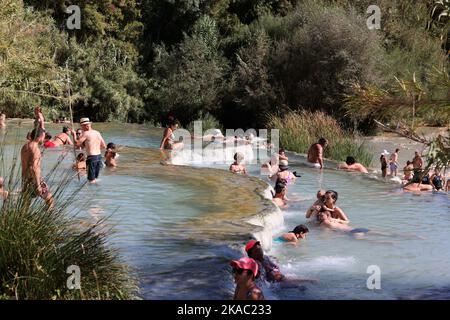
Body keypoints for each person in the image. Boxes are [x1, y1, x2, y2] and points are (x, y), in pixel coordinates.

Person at [245, 240, 316, 285]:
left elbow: (274, 265)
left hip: (278, 278)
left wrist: (276, 270)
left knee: (298, 284)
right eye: (256, 251)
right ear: (251, 255)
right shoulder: (256, 263)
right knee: (304, 282)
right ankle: (308, 281)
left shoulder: (265, 257)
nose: (259, 252)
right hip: (275, 282)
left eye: (259, 249)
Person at [21, 128, 54, 208]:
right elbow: (34, 167)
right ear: (40, 136)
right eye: (43, 137)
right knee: (49, 199)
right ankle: (48, 217)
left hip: (25, 178)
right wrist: (38, 184)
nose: (43, 139)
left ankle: (23, 217)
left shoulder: (25, 146)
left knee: (26, 203)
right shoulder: (35, 149)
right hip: (34, 179)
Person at [70, 118, 106, 184]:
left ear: (85, 125)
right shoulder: (97, 132)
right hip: (99, 157)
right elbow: (104, 146)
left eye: (81, 126)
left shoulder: (86, 133)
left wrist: (74, 135)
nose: (81, 127)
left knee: (91, 181)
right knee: (95, 178)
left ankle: (91, 193)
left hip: (91, 158)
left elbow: (77, 144)